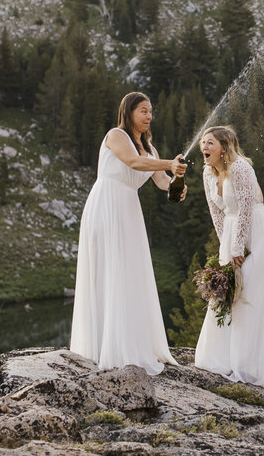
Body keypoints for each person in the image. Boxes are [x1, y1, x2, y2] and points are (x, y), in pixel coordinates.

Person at [69, 91, 187, 373]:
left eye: (151, 111)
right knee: (109, 269)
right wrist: (169, 164)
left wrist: (177, 182)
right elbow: (133, 163)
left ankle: (127, 342)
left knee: (128, 272)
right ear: (129, 112)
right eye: (143, 110)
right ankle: (101, 347)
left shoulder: (151, 149)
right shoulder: (116, 135)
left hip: (128, 210)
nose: (149, 116)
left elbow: (161, 181)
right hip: (107, 205)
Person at [194, 126, 264, 388]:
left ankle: (248, 369)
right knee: (225, 296)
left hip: (257, 232)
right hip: (232, 236)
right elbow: (217, 214)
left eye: (210, 143)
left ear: (224, 147)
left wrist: (238, 248)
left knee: (248, 298)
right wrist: (226, 248)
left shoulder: (241, 168)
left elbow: (245, 209)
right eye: (203, 143)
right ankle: (219, 360)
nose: (204, 147)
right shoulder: (208, 173)